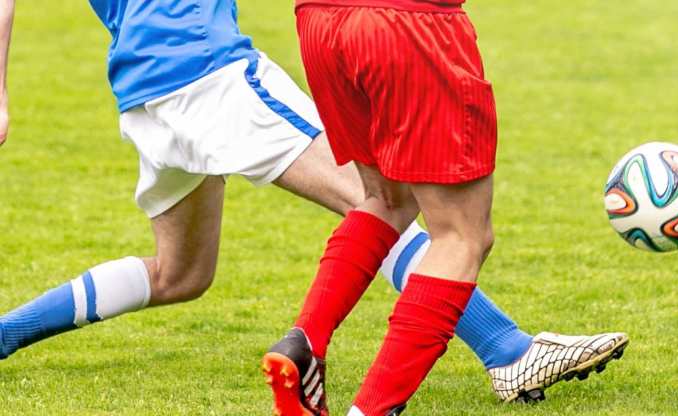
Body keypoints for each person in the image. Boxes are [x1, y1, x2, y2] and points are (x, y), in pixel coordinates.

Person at [0, 0, 622, 410]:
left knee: (180, 274)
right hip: (212, 73)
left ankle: (5, 334)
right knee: (380, 203)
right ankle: (508, 350)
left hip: (142, 87)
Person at [261, 0, 629, 415]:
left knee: (387, 199)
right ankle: (371, 409)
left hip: (321, 24)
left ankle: (306, 341)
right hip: (407, 25)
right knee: (461, 236)